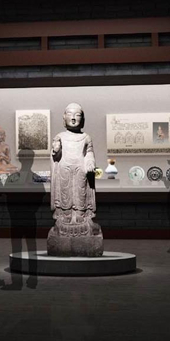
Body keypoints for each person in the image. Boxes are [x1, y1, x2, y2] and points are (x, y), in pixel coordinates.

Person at [48, 102, 102, 256]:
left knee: (80, 192)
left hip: (80, 170)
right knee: (65, 193)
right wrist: (56, 150)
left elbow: (89, 153)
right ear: (64, 117)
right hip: (64, 170)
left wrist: (90, 162)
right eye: (70, 114)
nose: (73, 118)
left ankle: (80, 216)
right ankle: (65, 217)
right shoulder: (60, 136)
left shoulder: (86, 137)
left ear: (82, 119)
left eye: (77, 115)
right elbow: (55, 156)